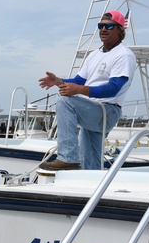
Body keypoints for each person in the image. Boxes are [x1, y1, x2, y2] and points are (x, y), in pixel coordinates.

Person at [38, 10, 138, 170]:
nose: (103, 29)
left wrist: (79, 90)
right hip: (92, 109)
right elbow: (79, 80)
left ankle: (68, 158)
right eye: (101, 26)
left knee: (65, 101)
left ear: (120, 30)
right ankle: (91, 187)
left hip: (107, 111)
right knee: (90, 162)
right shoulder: (94, 55)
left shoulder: (123, 55)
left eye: (109, 26)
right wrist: (58, 81)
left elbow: (113, 89)